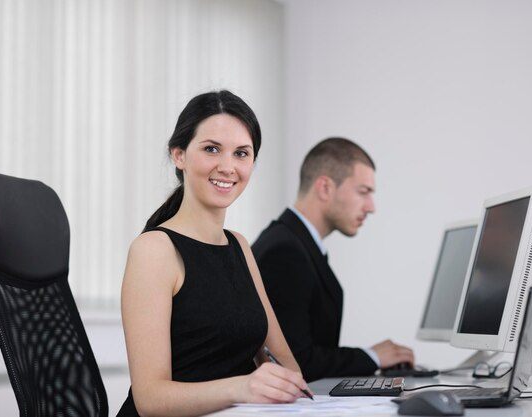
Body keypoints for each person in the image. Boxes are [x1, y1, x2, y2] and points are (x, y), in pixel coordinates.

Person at [117, 91, 312, 417]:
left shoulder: (239, 247)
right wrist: (243, 387)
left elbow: (284, 361)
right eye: (211, 149)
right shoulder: (154, 250)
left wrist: (284, 386)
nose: (228, 166)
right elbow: (149, 399)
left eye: (241, 153)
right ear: (179, 155)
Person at [252, 137, 415, 382]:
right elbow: (294, 362)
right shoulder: (285, 252)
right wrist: (372, 356)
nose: (371, 207)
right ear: (325, 187)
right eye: (363, 192)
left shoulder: (293, 241)